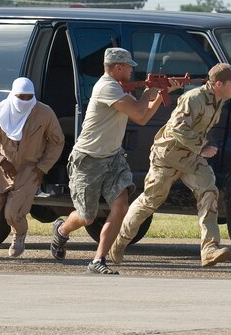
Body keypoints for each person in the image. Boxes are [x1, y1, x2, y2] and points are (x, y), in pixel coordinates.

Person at [50, 47, 179, 274]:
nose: (132, 70)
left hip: (113, 158)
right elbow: (139, 112)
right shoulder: (107, 87)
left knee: (121, 206)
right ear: (118, 67)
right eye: (129, 66)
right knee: (87, 217)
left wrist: (160, 94)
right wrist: (149, 93)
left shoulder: (121, 90)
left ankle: (98, 260)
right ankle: (62, 230)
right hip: (88, 160)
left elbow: (143, 116)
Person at [109, 62, 231, 268]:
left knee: (209, 191)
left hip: (190, 157)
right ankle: (118, 242)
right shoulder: (194, 98)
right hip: (167, 156)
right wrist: (202, 147)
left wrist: (198, 149)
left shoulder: (219, 100)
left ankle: (209, 249)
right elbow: (176, 128)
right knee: (150, 201)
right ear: (218, 84)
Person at [0, 77, 64, 264]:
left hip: (30, 169)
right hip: (1, 168)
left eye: (29, 97)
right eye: (20, 97)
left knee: (13, 212)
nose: (25, 101)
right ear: (12, 95)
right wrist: (0, 160)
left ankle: (19, 233)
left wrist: (42, 168)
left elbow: (57, 142)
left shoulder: (44, 113)